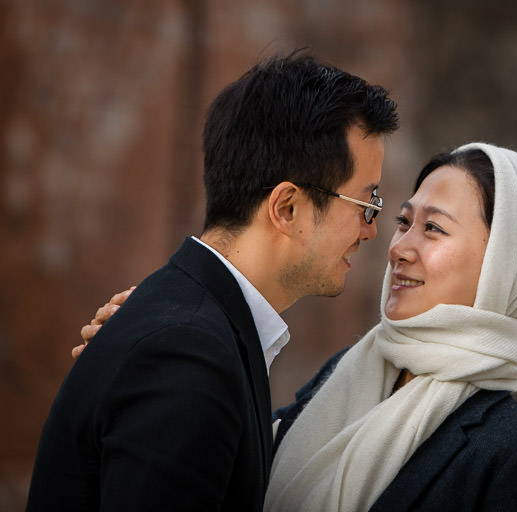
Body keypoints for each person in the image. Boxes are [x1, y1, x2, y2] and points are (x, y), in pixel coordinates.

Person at [73, 142, 517, 511]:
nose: (399, 247)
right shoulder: (349, 373)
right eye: (404, 221)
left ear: (509, 265)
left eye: (434, 229)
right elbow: (235, 468)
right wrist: (152, 348)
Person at [26, 52, 399, 511]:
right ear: (287, 208)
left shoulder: (198, 328)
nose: (371, 229)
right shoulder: (186, 352)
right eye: (367, 202)